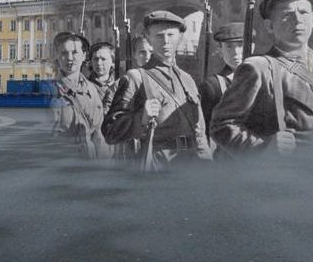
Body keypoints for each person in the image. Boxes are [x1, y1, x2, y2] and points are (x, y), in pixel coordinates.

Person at [210, 0, 313, 156]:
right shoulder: (257, 68)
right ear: (269, 26)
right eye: (286, 15)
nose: (297, 20)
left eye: (303, 12)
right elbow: (221, 126)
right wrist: (263, 147)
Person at [103, 11, 212, 169]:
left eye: (171, 35)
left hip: (191, 164)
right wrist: (141, 118)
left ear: (180, 37)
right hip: (158, 165)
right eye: (159, 36)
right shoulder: (136, 78)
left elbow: (199, 130)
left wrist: (207, 162)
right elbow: (110, 132)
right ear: (148, 38)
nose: (166, 41)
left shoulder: (188, 80)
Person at [51, 32, 113, 160]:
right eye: (64, 53)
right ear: (57, 56)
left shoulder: (91, 89)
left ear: (84, 56)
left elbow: (98, 132)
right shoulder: (49, 92)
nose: (69, 58)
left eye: (74, 52)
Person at [198, 22, 251, 140]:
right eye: (229, 46)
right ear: (220, 51)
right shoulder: (212, 86)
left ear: (251, 47)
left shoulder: (263, 79)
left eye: (240, 45)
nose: (236, 52)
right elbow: (203, 129)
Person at [88, 42, 118, 114]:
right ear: (91, 62)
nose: (99, 63)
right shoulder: (84, 86)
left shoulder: (119, 86)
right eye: (96, 59)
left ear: (112, 62)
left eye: (103, 59)